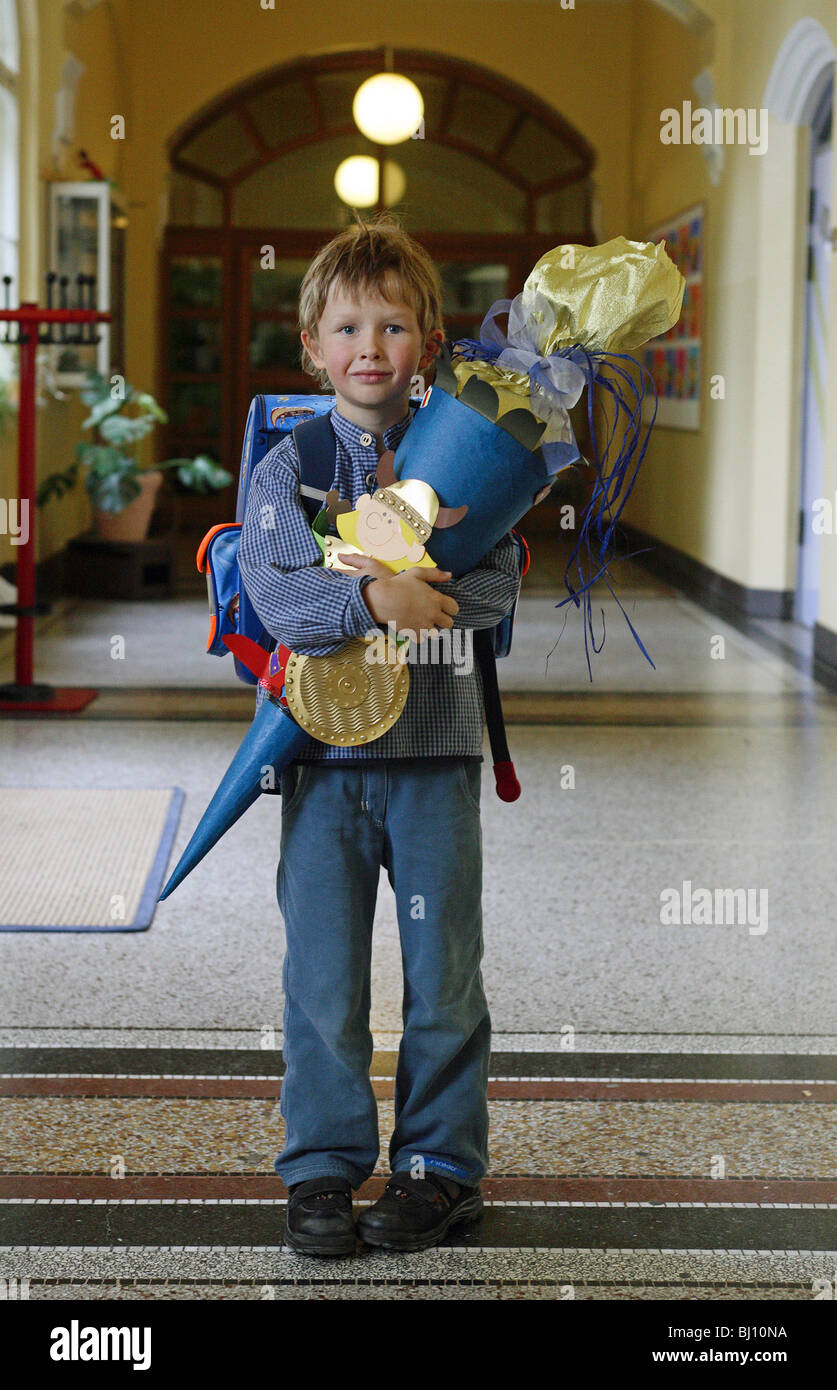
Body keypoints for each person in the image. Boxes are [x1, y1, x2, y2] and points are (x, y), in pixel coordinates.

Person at [237, 212, 521, 1256]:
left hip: (435, 759)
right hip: (317, 765)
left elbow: (497, 589)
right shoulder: (292, 465)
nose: (371, 349)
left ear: (429, 347)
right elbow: (280, 600)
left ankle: (441, 1167)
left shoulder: (472, 464)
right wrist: (373, 601)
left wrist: (422, 575)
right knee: (322, 975)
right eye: (348, 327)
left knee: (444, 970)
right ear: (313, 346)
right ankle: (321, 1165)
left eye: (394, 327)